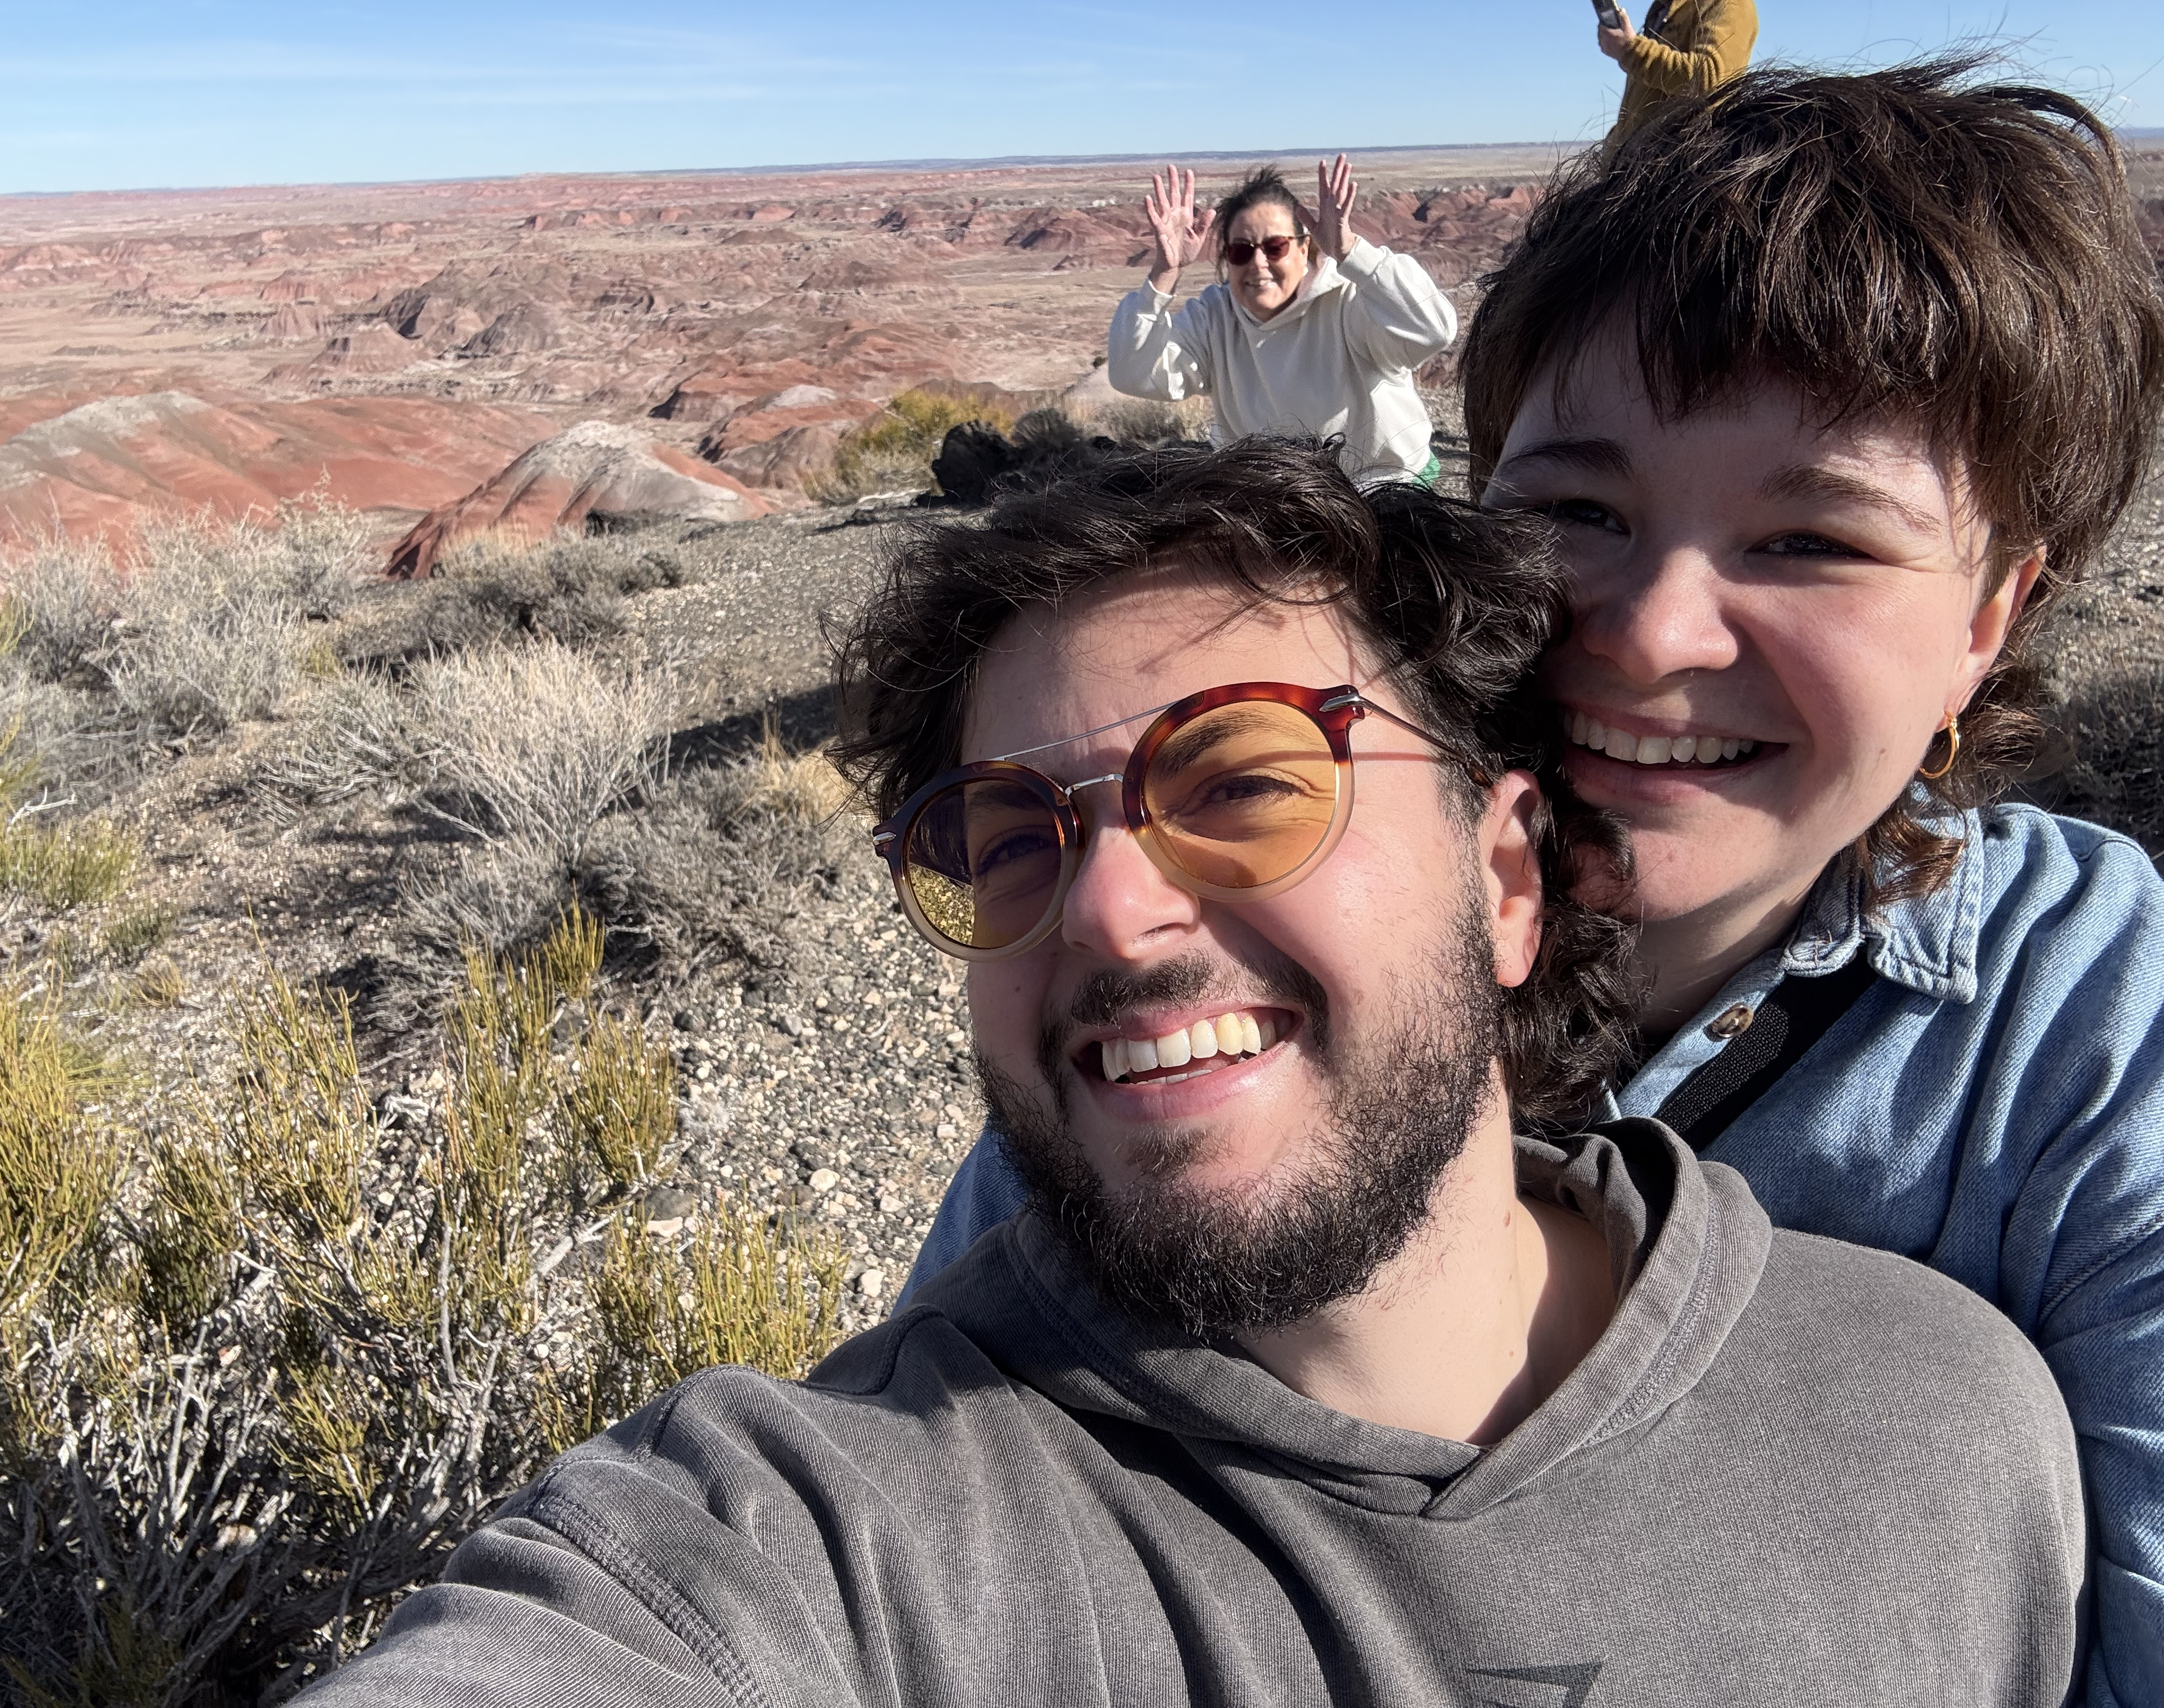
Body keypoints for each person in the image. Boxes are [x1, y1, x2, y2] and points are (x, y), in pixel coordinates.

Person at [293, 441, 2087, 1706]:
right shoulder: (848, 1537)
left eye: (1244, 784)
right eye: (1010, 837)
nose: (1115, 911)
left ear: (1509, 875)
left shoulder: (1949, 1429)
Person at [907, 60, 2164, 1706]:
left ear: (1991, 617)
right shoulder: (1239, 931)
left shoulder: (2080, 1011)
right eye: (1578, 509)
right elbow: (918, 1455)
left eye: (1812, 541)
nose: (1650, 634)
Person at [1105, 159, 1456, 482]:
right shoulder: (1216, 315)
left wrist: (1352, 252)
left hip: (1382, 489)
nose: (1257, 263)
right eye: (1241, 251)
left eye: (1275, 247)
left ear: (1304, 249)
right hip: (1273, 502)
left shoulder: (1351, 300)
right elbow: (1135, 374)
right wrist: (1165, 273)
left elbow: (1432, 330)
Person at [1598, 0, 1758, 145]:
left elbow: (1712, 79)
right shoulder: (1663, 10)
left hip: (1681, 168)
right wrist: (1615, 146)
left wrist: (1631, 50)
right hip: (1640, 167)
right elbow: (1647, 102)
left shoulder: (1730, 3)